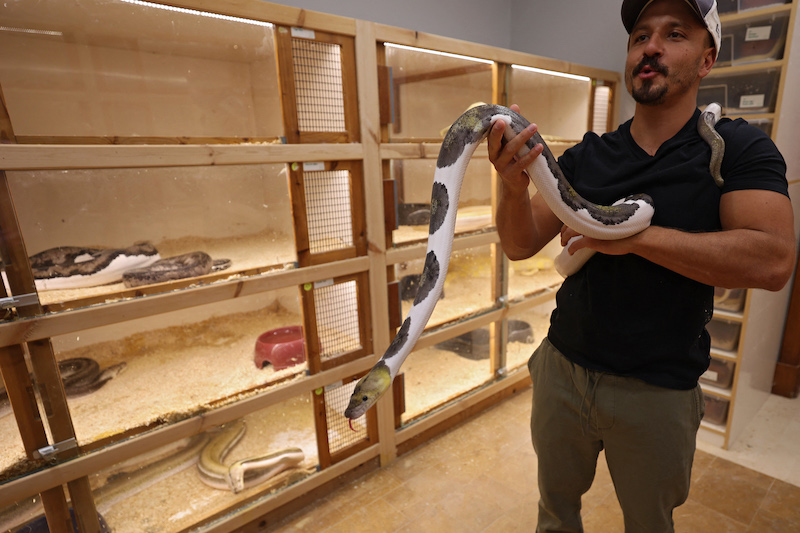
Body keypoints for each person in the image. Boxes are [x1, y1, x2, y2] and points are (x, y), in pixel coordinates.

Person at [488, 0, 796, 531]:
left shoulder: (738, 149)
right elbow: (519, 245)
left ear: (706, 60)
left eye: (675, 34)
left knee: (649, 524)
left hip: (659, 391)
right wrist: (513, 190)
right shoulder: (588, 156)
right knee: (554, 515)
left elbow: (772, 261)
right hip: (563, 371)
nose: (650, 46)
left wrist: (633, 238)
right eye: (639, 37)